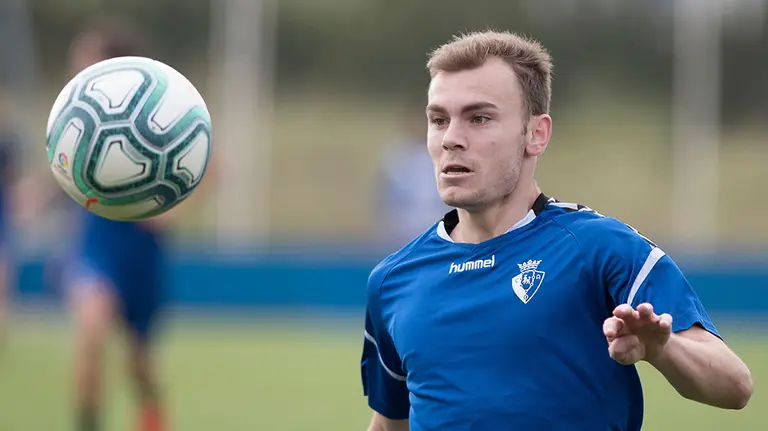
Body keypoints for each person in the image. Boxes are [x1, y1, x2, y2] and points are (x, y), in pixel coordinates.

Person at [360, 30, 753, 431]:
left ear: (536, 134)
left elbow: (735, 386)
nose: (451, 139)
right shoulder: (393, 280)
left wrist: (664, 349)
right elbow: (392, 421)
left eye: (479, 118)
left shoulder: (599, 248)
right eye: (438, 120)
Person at [61, 20, 167, 431]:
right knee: (90, 333)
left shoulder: (154, 114)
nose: (76, 68)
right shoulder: (77, 117)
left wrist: (167, 202)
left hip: (140, 252)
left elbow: (207, 165)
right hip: (97, 248)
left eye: (85, 59)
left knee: (139, 362)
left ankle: (155, 419)